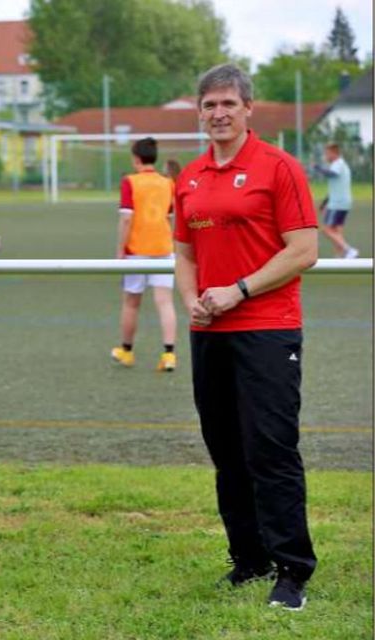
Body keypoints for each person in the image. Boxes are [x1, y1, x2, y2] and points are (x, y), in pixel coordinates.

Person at [174, 63, 318, 611]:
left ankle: (292, 570)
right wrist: (191, 299)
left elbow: (304, 249)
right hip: (208, 332)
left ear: (248, 109)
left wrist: (238, 289)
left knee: (271, 451)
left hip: (266, 329)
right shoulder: (189, 178)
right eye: (209, 105)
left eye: (228, 104)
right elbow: (183, 255)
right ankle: (249, 558)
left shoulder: (278, 167)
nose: (218, 114)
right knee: (226, 450)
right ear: (200, 111)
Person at [110, 137, 178, 371]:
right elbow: (169, 218)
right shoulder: (168, 183)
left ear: (135, 158)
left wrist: (120, 249)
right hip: (163, 248)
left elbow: (127, 218)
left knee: (131, 303)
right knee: (165, 302)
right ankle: (169, 354)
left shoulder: (130, 182)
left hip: (137, 250)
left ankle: (127, 351)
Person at [313, 143, 357, 258]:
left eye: (327, 153)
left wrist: (317, 167)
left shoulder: (338, 164)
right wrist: (324, 203)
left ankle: (349, 250)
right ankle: (340, 254)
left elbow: (331, 174)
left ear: (334, 153)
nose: (325, 156)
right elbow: (335, 187)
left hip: (338, 203)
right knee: (336, 230)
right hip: (342, 202)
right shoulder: (339, 164)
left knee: (326, 230)